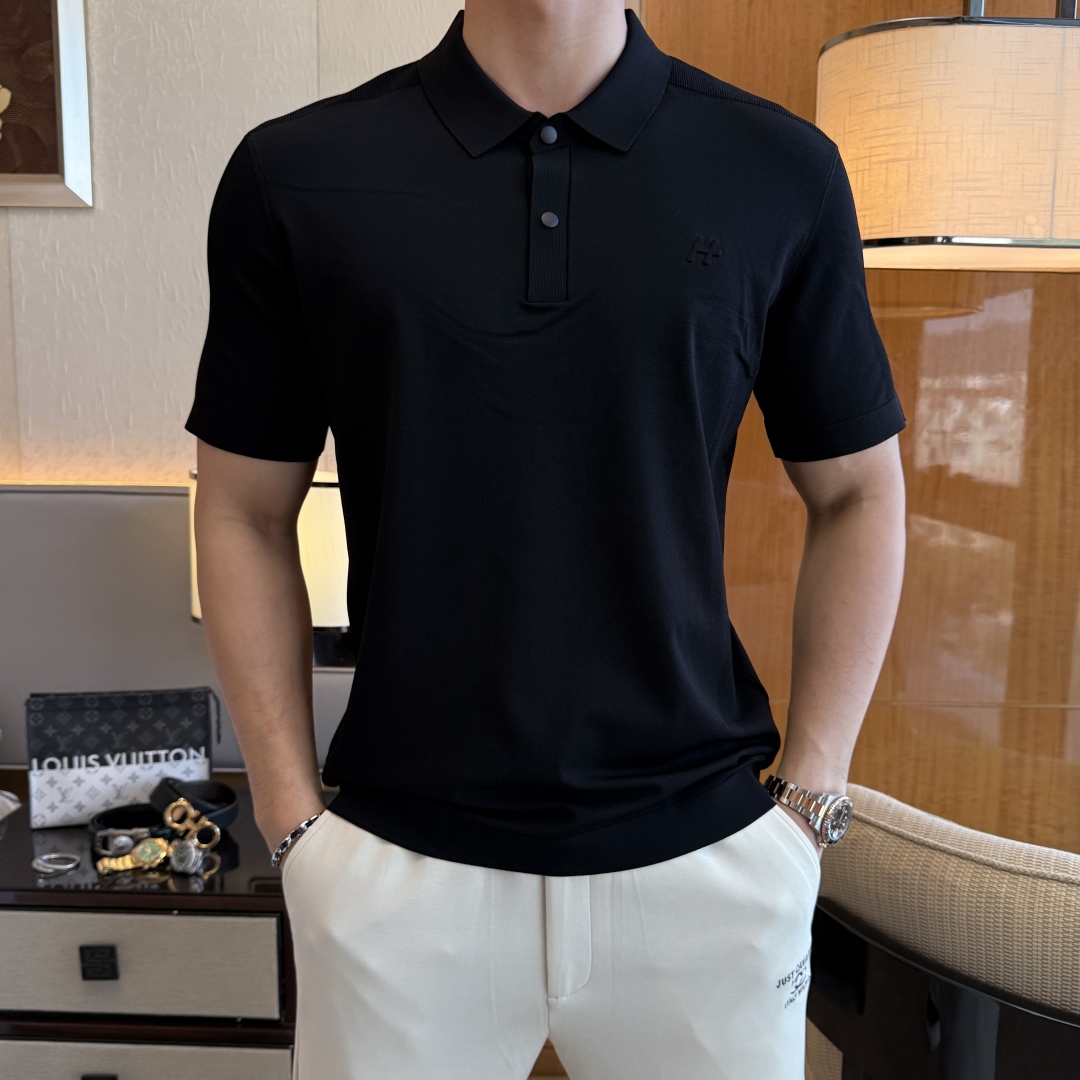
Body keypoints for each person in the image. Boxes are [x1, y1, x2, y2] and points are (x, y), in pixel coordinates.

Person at [185, 2, 907, 1077]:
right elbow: (242, 508)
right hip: (396, 874)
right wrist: (291, 821)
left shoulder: (778, 168)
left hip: (708, 865)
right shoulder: (296, 173)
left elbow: (858, 493)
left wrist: (809, 806)